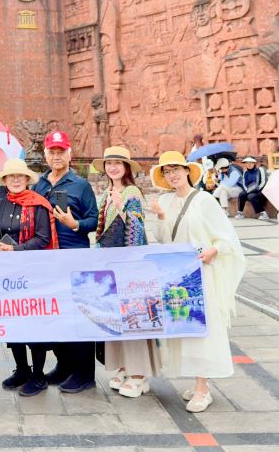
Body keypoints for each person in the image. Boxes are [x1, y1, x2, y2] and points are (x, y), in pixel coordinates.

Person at [148, 151, 245, 413]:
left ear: (187, 171)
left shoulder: (204, 200)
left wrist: (214, 250)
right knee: (184, 328)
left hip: (201, 273)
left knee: (203, 329)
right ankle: (197, 381)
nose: (173, 175)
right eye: (167, 171)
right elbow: (162, 237)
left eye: (176, 169)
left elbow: (226, 238)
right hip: (176, 275)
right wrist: (160, 217)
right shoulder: (165, 200)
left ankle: (203, 388)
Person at [32, 130, 98, 393]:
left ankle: (85, 373)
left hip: (74, 256)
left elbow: (93, 220)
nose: (56, 156)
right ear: (46, 155)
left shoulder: (81, 185)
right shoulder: (40, 185)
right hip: (47, 259)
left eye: (61, 151)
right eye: (52, 152)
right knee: (55, 314)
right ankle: (64, 364)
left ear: (70, 154)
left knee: (78, 315)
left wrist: (75, 224)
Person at [91, 146, 160, 399]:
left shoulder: (131, 193)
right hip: (111, 262)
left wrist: (121, 209)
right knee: (116, 316)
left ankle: (139, 374)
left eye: (118, 163)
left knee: (134, 314)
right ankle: (123, 365)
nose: (112, 168)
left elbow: (137, 230)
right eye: (109, 163)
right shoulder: (107, 193)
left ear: (126, 167)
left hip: (131, 264)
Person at [0, 157, 58, 397]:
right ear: (5, 180)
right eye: (11, 176)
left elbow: (43, 239)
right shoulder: (2, 203)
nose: (15, 180)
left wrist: (16, 249)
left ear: (27, 179)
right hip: (9, 273)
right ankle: (21, 369)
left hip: (34, 272)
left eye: (19, 176)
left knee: (34, 323)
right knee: (13, 322)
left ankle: (38, 375)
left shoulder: (38, 204)